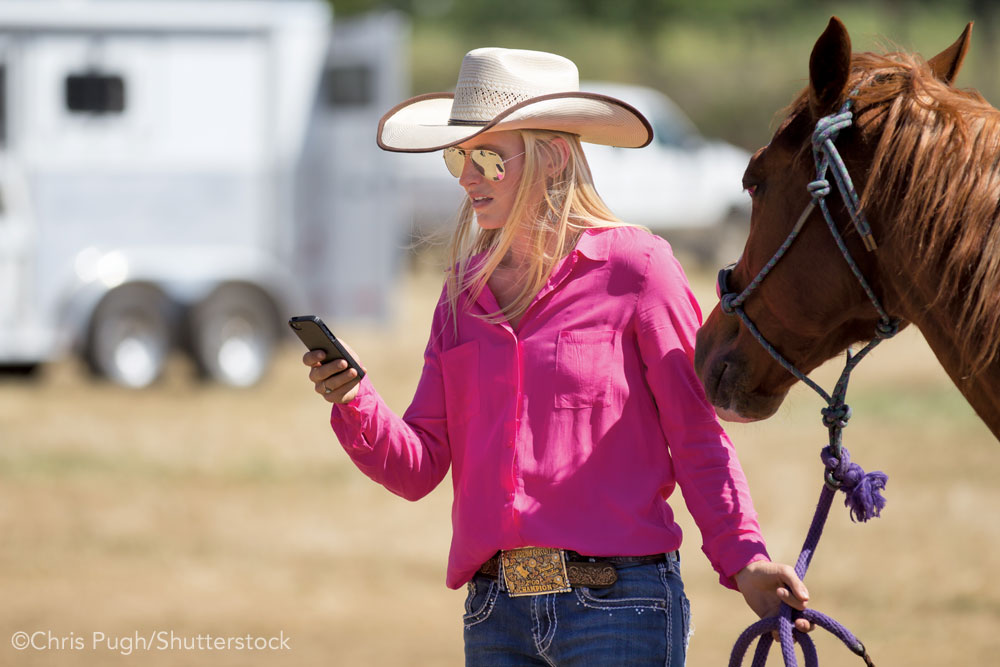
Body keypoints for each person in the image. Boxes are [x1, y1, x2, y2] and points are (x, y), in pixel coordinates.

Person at [304, 48, 811, 666]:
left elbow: (698, 437)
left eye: (488, 156)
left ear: (553, 158)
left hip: (621, 610)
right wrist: (353, 397)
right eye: (458, 156)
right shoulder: (462, 297)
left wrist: (747, 560)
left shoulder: (638, 268)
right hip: (495, 614)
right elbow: (419, 469)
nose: (467, 177)